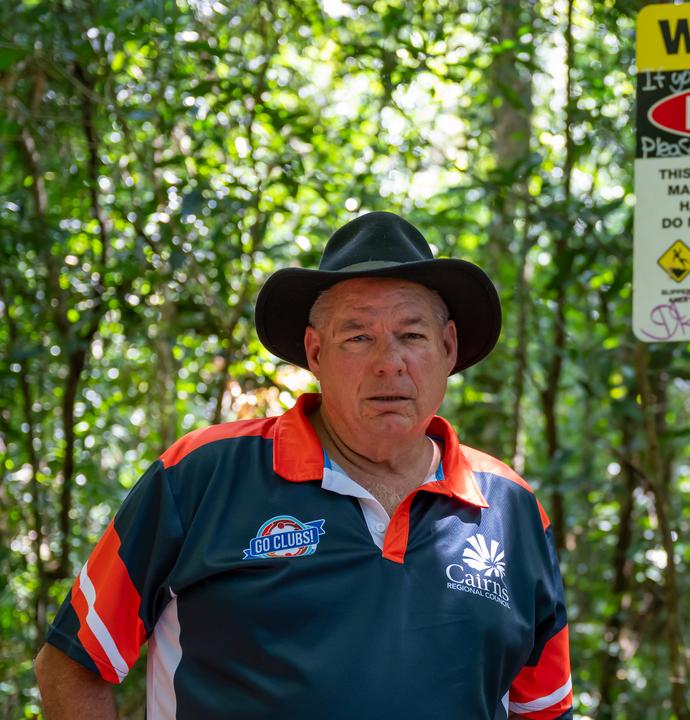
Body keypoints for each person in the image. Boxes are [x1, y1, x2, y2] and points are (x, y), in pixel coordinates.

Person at [33, 212, 573, 719]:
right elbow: (72, 663)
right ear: (315, 353)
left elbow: (543, 708)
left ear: (448, 347)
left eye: (412, 335)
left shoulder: (510, 508)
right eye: (358, 337)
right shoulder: (202, 476)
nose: (389, 363)